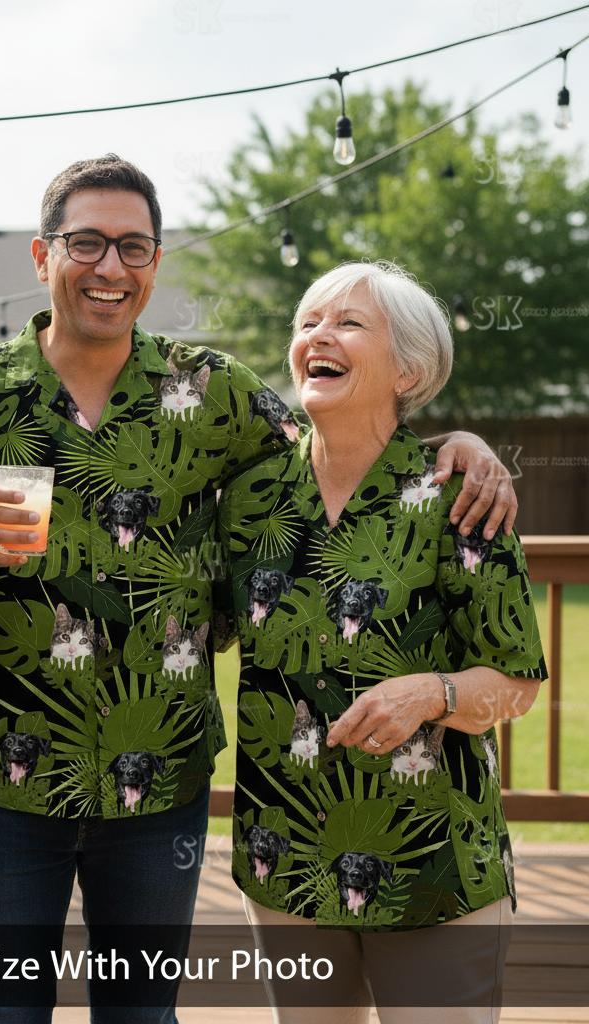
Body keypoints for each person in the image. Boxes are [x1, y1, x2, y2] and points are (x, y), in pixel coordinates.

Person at [0, 155, 517, 1023]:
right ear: (43, 257)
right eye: (86, 243)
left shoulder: (217, 392)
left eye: (134, 247)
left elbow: (341, 439)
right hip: (8, 776)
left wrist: (461, 442)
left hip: (163, 783)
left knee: (144, 1014)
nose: (110, 267)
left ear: (154, 265)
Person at [218, 261, 546, 1024]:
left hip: (431, 864)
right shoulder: (250, 498)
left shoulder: (459, 496)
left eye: (347, 323)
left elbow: (519, 684)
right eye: (307, 324)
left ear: (409, 368)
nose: (318, 337)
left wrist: (432, 692)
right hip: (284, 854)